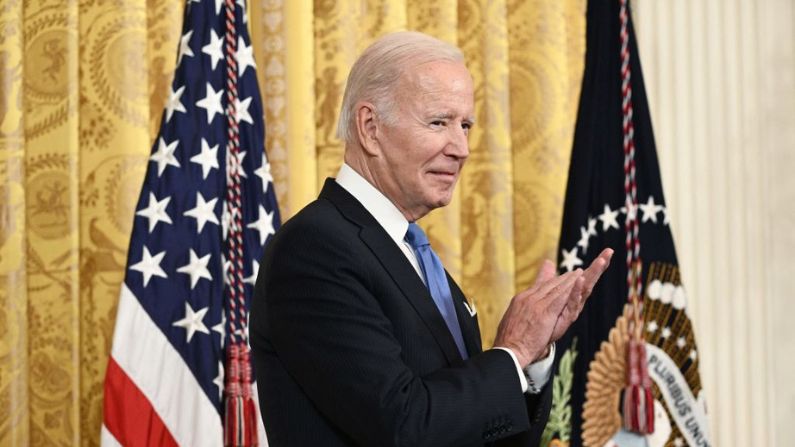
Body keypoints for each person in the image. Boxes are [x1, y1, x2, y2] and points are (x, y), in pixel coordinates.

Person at [250, 31, 613, 447]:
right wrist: (512, 351)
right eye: (438, 122)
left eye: (466, 125)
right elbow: (403, 427)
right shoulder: (314, 250)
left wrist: (529, 362)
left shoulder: (410, 252)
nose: (461, 148)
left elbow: (469, 430)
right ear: (370, 128)